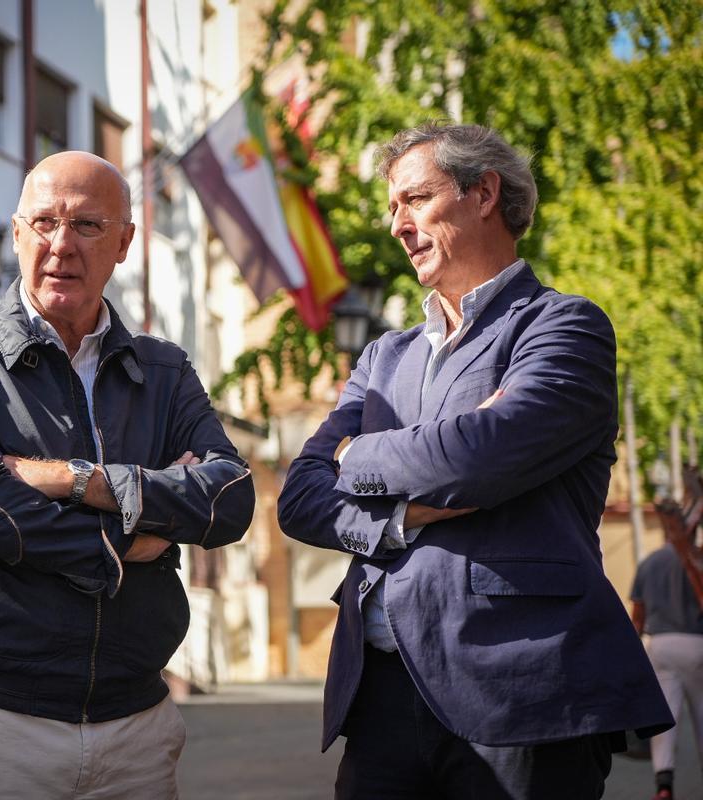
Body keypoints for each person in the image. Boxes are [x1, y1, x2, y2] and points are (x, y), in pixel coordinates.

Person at [277, 122, 673, 799]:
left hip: (520, 690)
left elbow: (480, 456)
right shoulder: (383, 357)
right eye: (392, 204)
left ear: (483, 192)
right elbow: (300, 499)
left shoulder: (564, 327)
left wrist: (356, 454)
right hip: (379, 701)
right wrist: (398, 517)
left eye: (416, 198)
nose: (396, 223)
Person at [0, 150, 255, 798]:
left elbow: (230, 495)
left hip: (137, 727)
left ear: (124, 242)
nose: (61, 244)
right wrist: (129, 538)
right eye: (43, 222)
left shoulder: (164, 368)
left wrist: (75, 481)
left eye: (88, 226)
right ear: (16, 234)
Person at [632, 538, 703, 799]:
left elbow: (637, 616)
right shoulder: (696, 561)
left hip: (660, 645)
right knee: (701, 714)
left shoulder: (649, 563)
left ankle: (664, 784)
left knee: (665, 718)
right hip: (697, 642)